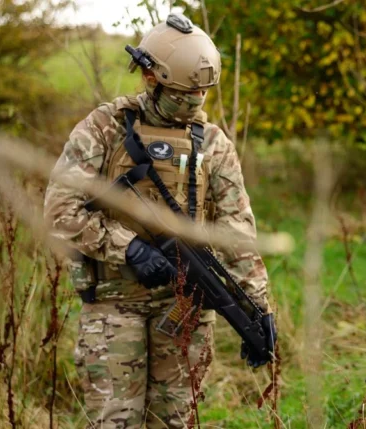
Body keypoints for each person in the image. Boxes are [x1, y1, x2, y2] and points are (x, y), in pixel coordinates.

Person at [43, 13, 272, 428]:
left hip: (186, 307)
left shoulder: (214, 145)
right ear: (150, 77)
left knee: (177, 422)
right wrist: (126, 247)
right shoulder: (104, 129)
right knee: (116, 421)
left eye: (201, 94)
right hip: (115, 306)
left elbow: (238, 231)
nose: (194, 103)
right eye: (184, 94)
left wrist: (257, 309)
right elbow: (60, 211)